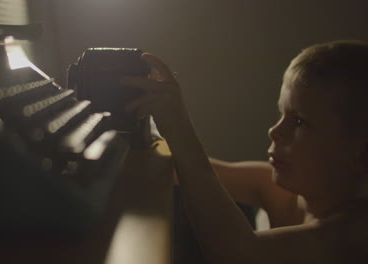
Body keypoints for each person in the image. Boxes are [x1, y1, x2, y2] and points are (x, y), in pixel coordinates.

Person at [121, 40, 368, 263]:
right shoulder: (275, 188)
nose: (275, 131)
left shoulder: (352, 235)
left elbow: (235, 254)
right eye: (282, 114)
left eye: (300, 121)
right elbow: (179, 169)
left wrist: (179, 128)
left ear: (360, 152)